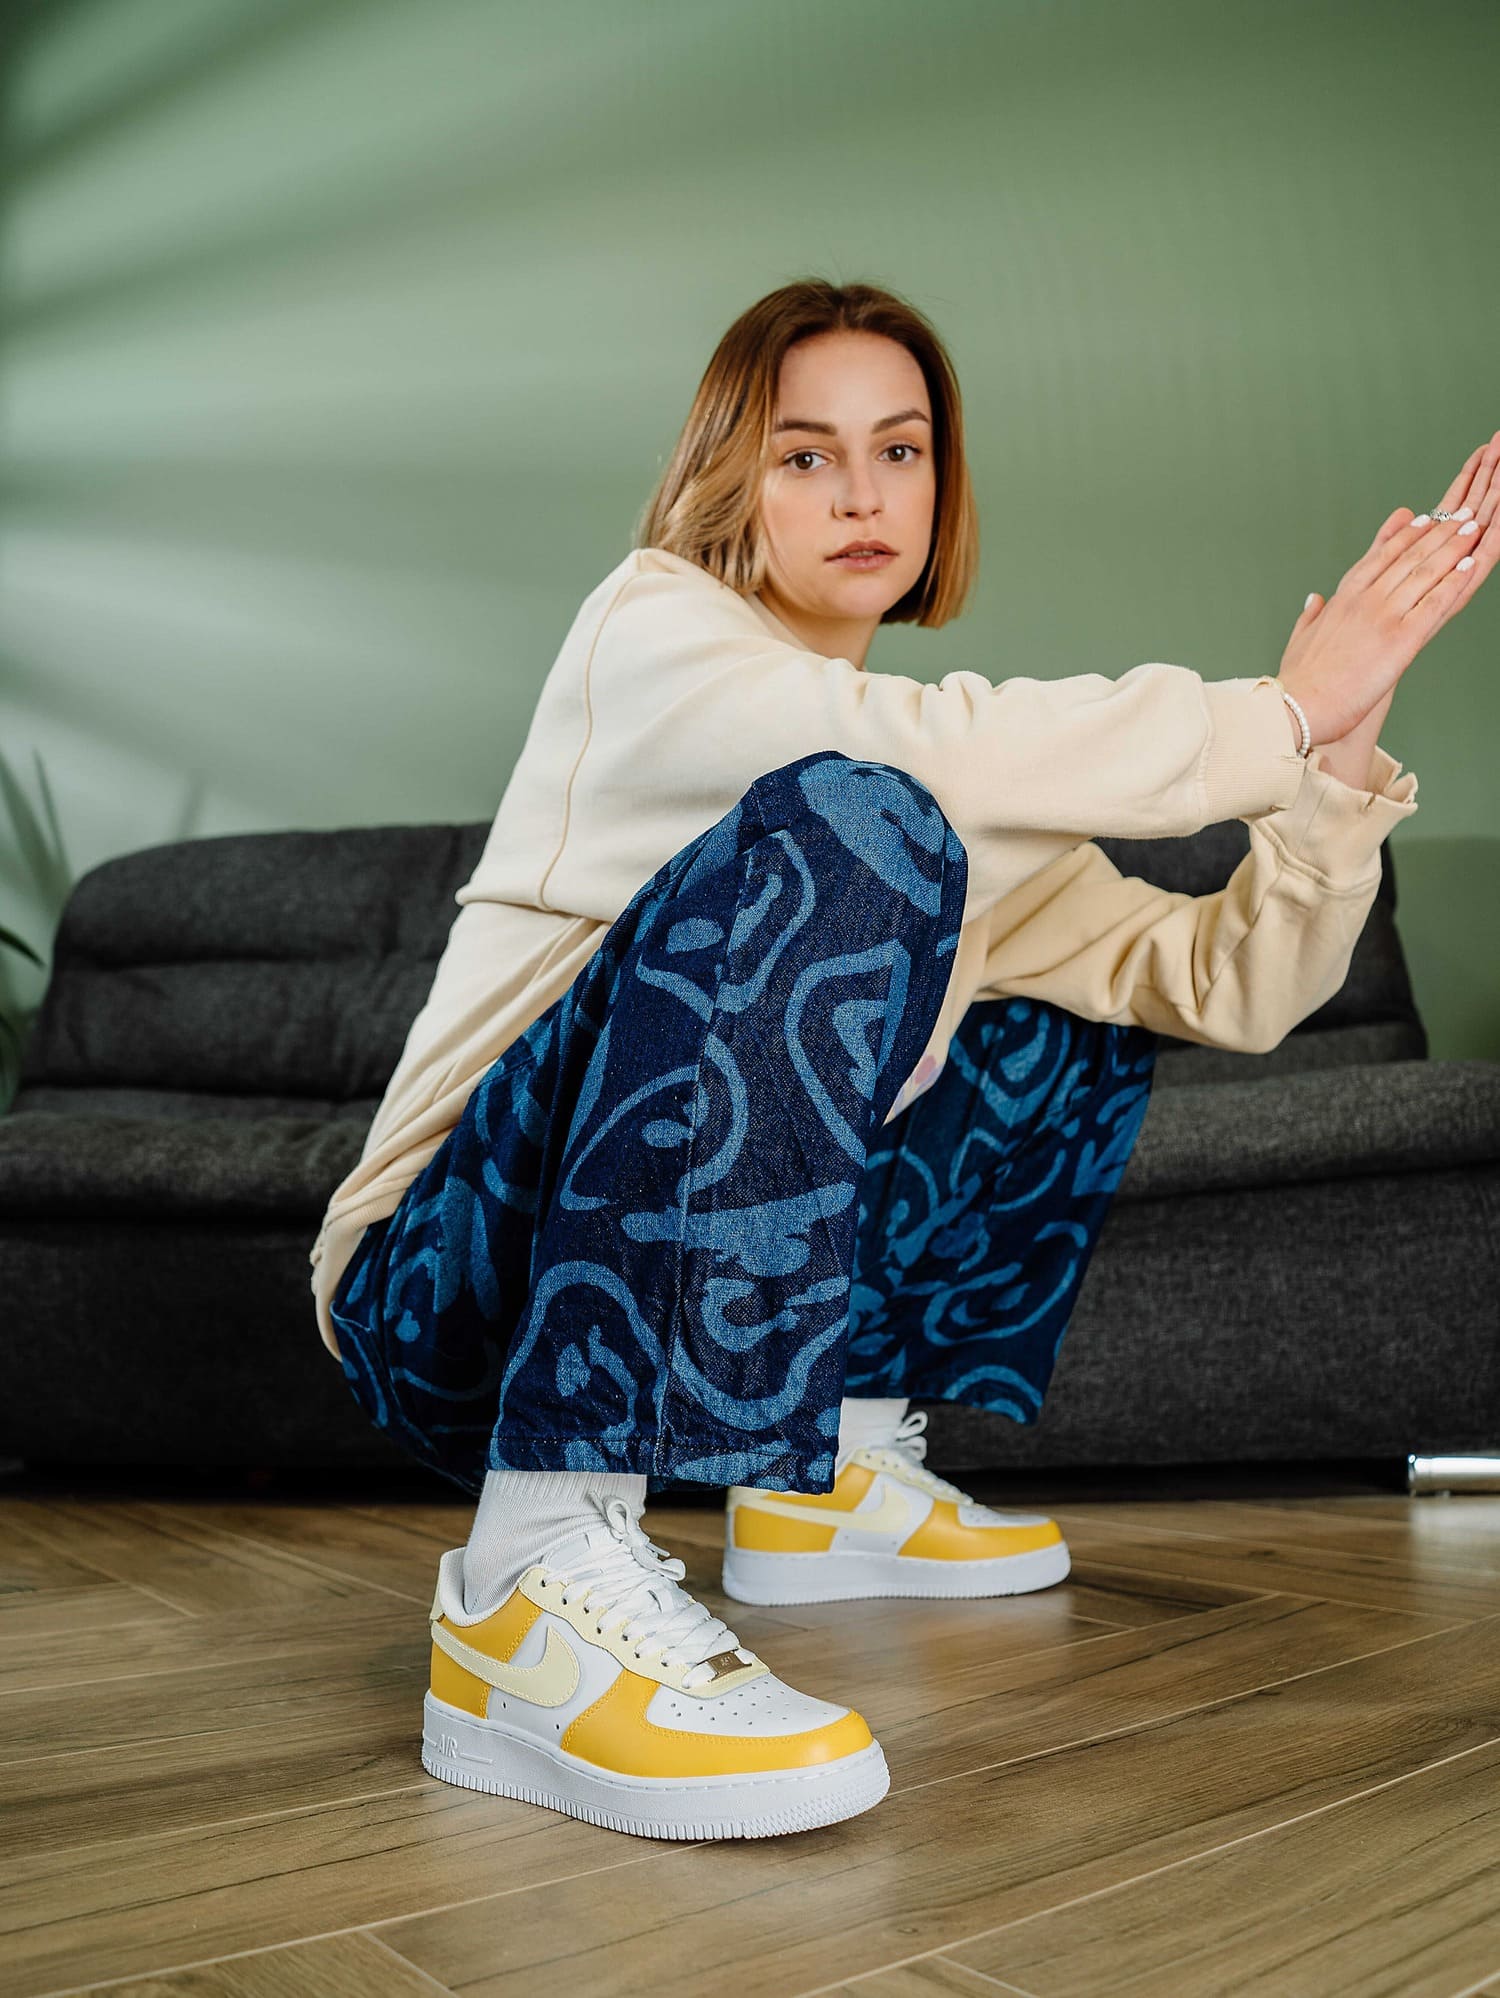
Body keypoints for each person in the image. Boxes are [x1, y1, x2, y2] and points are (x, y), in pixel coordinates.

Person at [311, 276, 1493, 1840]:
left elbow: (1228, 984)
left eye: (903, 450)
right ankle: (528, 1580)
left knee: (1052, 973)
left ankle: (829, 1476)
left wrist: (1338, 759)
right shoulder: (652, 631)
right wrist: (1274, 710)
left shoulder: (928, 796)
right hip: (443, 1298)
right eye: (806, 456)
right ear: (731, 477)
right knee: (866, 822)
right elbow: (894, 758)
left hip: (807, 1019)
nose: (865, 493)